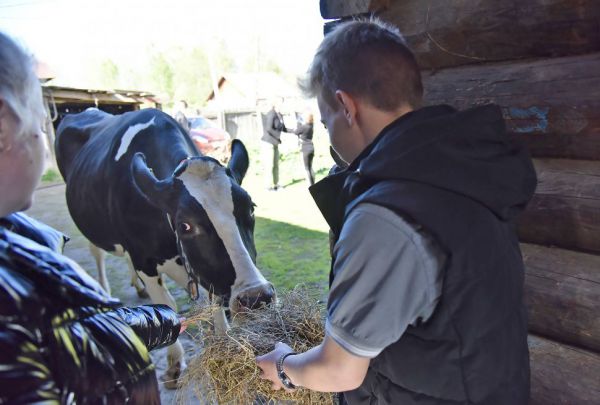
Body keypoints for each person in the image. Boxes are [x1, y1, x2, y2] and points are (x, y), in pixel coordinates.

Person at [256, 18, 535, 405]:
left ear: (346, 106)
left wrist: (285, 367)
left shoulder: (387, 213)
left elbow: (339, 368)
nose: (330, 135)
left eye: (325, 121)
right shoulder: (461, 174)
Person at [0, 31, 184, 404]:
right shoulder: (26, 294)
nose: (43, 139)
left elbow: (74, 334)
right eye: (38, 123)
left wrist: (157, 323)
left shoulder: (16, 254)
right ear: (3, 126)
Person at [261, 99, 286, 190]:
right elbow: (268, 128)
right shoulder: (271, 113)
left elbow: (282, 128)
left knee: (276, 164)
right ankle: (268, 186)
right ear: (275, 104)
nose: (282, 105)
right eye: (281, 103)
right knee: (269, 165)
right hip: (268, 143)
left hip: (275, 142)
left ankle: (276, 184)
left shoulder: (279, 114)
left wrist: (294, 131)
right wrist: (277, 137)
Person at [285, 111, 315, 185]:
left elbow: (296, 132)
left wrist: (298, 122)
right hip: (311, 148)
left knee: (307, 168)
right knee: (310, 167)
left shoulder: (305, 127)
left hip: (305, 149)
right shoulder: (311, 125)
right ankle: (313, 182)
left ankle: (310, 184)